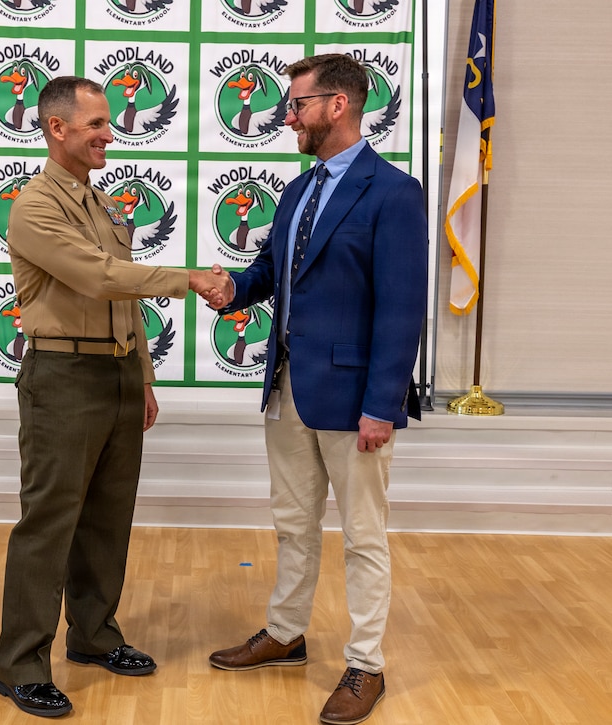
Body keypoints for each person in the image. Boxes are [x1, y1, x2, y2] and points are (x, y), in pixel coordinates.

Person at [0, 75, 228, 718]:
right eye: (95, 124)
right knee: (49, 522)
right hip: (63, 378)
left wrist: (144, 379)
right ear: (56, 129)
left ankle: (94, 638)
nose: (109, 133)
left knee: (107, 516)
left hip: (118, 375)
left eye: (107, 122)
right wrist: (188, 278)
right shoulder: (33, 206)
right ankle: (19, 666)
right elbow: (99, 279)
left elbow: (124, 305)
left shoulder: (100, 206)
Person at [206, 54, 428, 725]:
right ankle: (285, 631)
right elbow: (271, 270)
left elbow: (400, 307)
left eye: (297, 104)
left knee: (363, 537)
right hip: (289, 391)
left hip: (354, 398)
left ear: (338, 106)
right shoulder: (299, 191)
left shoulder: (393, 193)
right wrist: (231, 289)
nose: (286, 116)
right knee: (292, 524)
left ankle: (366, 663)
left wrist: (381, 404)